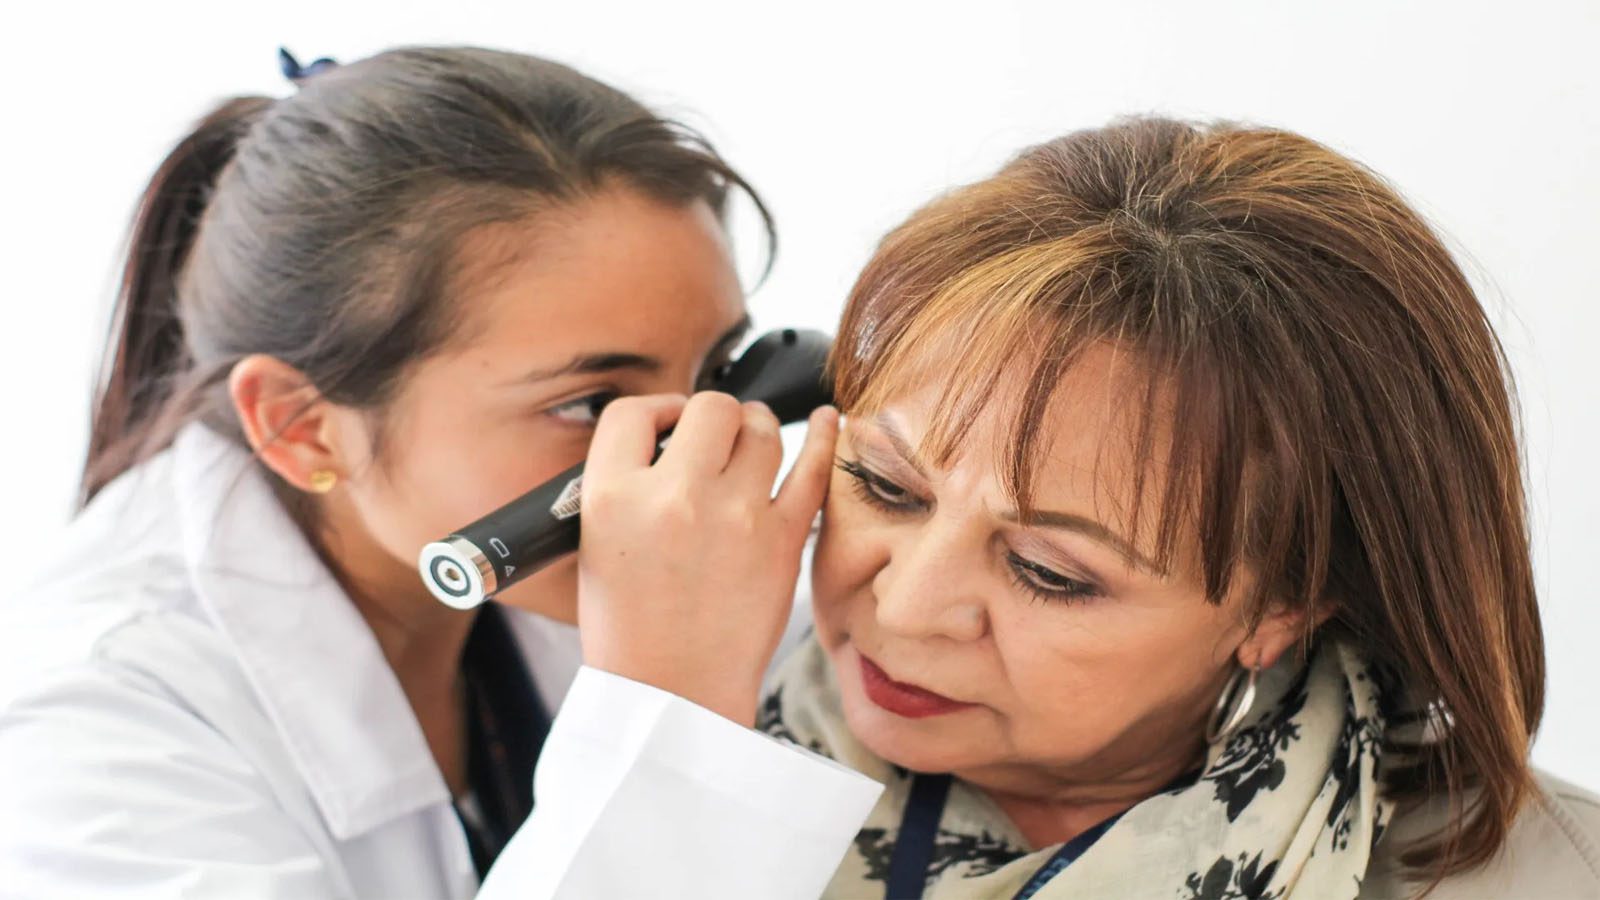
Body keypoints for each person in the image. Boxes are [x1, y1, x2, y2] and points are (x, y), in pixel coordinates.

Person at [575, 117, 1600, 898]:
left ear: (1280, 606)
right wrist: (664, 746)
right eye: (885, 487)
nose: (909, 606)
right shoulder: (644, 742)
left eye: (1049, 572)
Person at [0, 46, 879, 899]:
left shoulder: (499, 575)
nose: (692, 456)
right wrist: (669, 717)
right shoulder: (88, 743)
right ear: (303, 429)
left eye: (721, 370)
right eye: (587, 401)